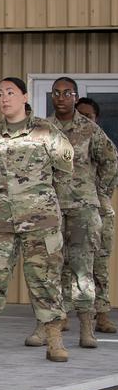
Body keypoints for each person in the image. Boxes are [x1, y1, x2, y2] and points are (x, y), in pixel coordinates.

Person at [0, 77, 74, 362]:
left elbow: (66, 171)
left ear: (24, 96)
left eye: (10, 93)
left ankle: (55, 341)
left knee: (45, 281)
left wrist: (45, 202)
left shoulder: (47, 132)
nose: (4, 98)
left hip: (40, 223)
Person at [22, 77, 117, 349]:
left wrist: (100, 193)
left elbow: (110, 160)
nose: (61, 97)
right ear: (52, 97)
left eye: (67, 93)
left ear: (75, 97)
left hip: (82, 210)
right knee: (47, 270)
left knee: (82, 270)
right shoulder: (42, 129)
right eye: (57, 93)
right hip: (48, 211)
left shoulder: (89, 129)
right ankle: (45, 327)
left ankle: (86, 329)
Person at [75, 98, 118, 333]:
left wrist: (99, 190)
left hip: (97, 207)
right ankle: (60, 315)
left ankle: (101, 314)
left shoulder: (101, 141)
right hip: (69, 206)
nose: (84, 120)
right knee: (64, 263)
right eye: (80, 115)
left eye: (88, 116)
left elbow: (112, 165)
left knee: (99, 262)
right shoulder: (66, 138)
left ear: (96, 119)